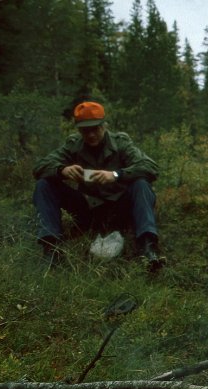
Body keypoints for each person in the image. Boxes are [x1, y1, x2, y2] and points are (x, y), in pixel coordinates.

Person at [32, 101, 164, 270]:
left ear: (104, 126)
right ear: (79, 130)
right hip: (88, 209)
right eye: (85, 130)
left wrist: (116, 175)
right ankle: (51, 249)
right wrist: (61, 170)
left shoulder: (121, 143)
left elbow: (151, 167)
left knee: (141, 184)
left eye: (95, 129)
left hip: (119, 208)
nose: (91, 134)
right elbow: (39, 167)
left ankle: (148, 247)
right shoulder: (73, 146)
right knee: (44, 184)